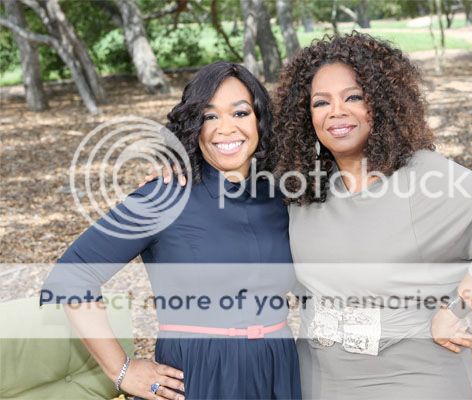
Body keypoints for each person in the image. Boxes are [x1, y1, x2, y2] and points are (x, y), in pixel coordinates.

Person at [146, 33, 472, 399]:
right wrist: (179, 162)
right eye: (321, 102)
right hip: (319, 377)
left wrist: (456, 308)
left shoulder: (424, 174)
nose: (336, 112)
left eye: (353, 97)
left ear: (381, 103)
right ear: (306, 115)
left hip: (412, 375)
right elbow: (233, 155)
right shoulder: (300, 184)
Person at [39, 62, 301, 400]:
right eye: (209, 116)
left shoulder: (281, 195)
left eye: (240, 112)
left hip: (277, 368)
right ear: (194, 125)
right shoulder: (165, 195)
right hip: (198, 373)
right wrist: (121, 370)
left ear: (260, 119)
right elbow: (72, 276)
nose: (226, 128)